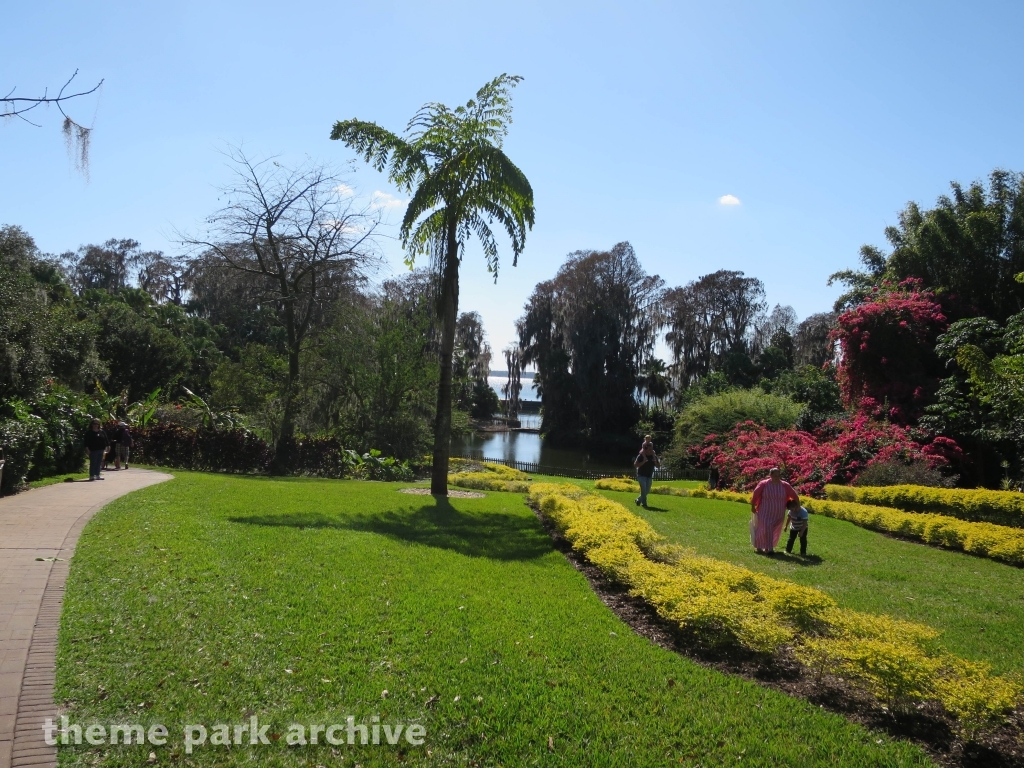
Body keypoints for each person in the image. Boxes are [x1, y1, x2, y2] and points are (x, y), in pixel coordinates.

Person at [749, 467, 799, 554]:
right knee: (765, 528)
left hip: (779, 514)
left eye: (778, 475)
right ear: (770, 475)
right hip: (765, 512)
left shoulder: (785, 485)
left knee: (773, 530)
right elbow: (756, 494)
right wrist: (753, 506)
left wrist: (798, 506)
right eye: (775, 475)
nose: (777, 477)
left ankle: (761, 546)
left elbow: (794, 495)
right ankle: (769, 549)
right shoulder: (763, 484)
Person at [633, 442, 660, 508]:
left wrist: (655, 461)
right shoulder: (641, 456)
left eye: (651, 449)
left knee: (647, 491)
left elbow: (658, 466)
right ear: (645, 450)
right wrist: (643, 461)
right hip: (641, 475)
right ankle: (644, 503)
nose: (651, 451)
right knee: (643, 489)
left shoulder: (654, 456)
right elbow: (635, 465)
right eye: (649, 449)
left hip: (649, 476)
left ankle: (638, 500)